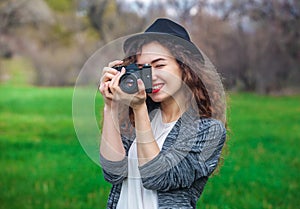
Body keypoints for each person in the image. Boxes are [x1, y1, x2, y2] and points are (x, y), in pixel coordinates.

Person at [98, 18, 227, 209]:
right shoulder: (134, 120)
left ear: (185, 68)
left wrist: (139, 108)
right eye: (144, 69)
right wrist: (110, 107)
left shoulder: (208, 130)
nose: (152, 76)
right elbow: (113, 173)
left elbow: (158, 177)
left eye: (159, 65)